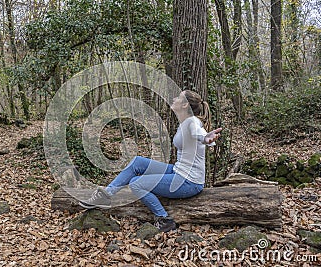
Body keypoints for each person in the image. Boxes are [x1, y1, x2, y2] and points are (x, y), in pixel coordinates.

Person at [79, 90, 222, 232]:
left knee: (136, 183)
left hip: (188, 181)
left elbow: (198, 133)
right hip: (178, 170)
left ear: (185, 105)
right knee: (137, 162)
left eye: (179, 97)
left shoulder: (192, 121)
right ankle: (106, 194)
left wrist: (206, 138)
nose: (174, 98)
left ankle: (164, 219)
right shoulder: (185, 122)